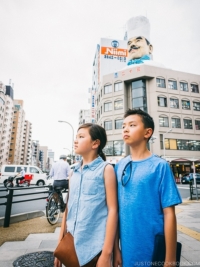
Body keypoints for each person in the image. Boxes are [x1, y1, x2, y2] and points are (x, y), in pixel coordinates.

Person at [113, 109, 182, 267]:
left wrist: (170, 259)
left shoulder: (160, 166)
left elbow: (169, 213)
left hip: (153, 249)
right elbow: (115, 210)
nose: (125, 129)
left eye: (132, 125)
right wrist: (116, 248)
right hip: (127, 251)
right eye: (123, 126)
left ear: (147, 132)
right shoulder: (120, 166)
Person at [54, 123, 118, 267]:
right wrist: (59, 246)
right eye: (76, 137)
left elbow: (113, 211)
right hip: (70, 246)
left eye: (81, 137)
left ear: (95, 143)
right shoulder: (73, 173)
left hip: (95, 250)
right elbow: (67, 210)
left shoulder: (106, 169)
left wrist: (107, 254)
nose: (75, 140)